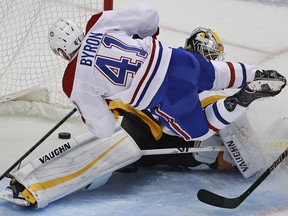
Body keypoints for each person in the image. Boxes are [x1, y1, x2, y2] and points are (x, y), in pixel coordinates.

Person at [1, 4, 286, 208]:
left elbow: (102, 129)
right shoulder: (99, 24)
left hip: (149, 112)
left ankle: (32, 185)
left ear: (63, 52)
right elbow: (150, 17)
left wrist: (96, 110)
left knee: (190, 130)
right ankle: (252, 75)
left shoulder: (76, 81)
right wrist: (146, 37)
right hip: (173, 63)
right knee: (217, 76)